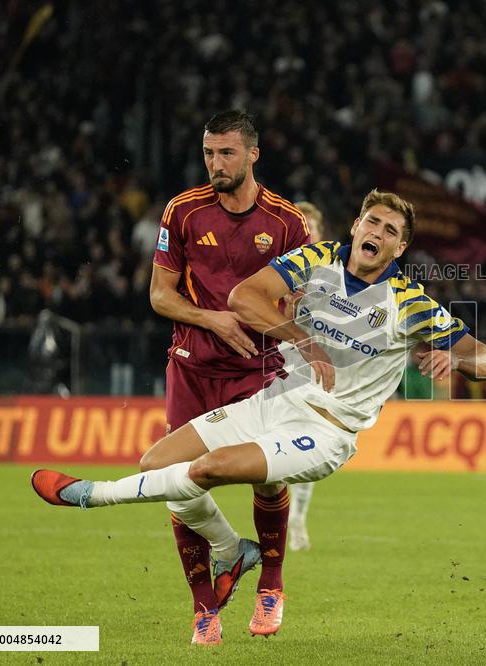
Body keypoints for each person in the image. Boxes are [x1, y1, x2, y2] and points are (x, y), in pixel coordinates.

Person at [31, 189, 486, 642]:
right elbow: (243, 297)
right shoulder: (316, 261)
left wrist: (456, 360)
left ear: (400, 246)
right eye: (372, 220)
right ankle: (233, 549)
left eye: (390, 229)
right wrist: (302, 337)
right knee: (155, 464)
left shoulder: (409, 302)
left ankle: (93, 494)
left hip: (325, 430)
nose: (376, 231)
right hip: (273, 399)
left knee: (208, 469)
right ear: (357, 226)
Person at [148, 110, 309, 644]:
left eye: (226, 154)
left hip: (259, 371)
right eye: (208, 153)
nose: (215, 164)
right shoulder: (183, 211)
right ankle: (204, 607)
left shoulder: (288, 223)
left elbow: (302, 303)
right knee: (176, 479)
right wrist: (210, 317)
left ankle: (272, 584)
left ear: (253, 155)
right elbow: (160, 294)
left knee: (270, 475)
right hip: (192, 369)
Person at [285, 201, 324, 552]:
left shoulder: (332, 273)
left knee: (306, 446)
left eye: (310, 228)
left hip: (312, 365)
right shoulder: (276, 268)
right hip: (274, 360)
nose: (306, 234)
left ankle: (296, 517)